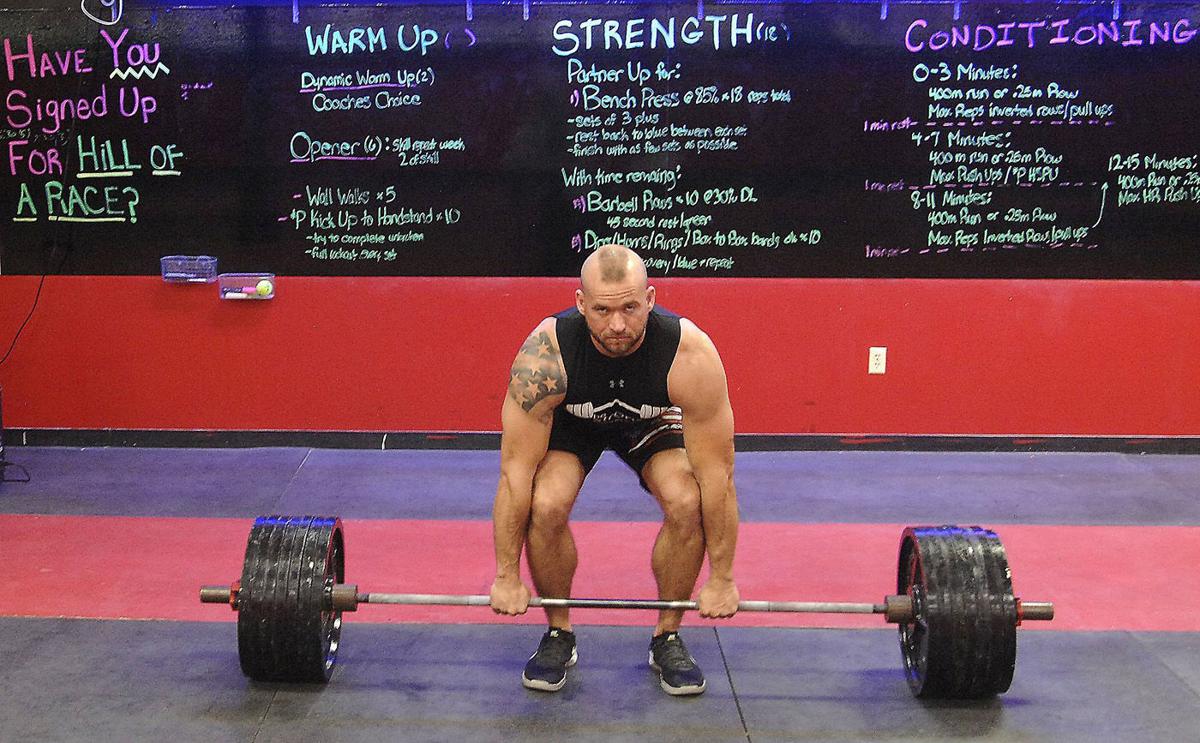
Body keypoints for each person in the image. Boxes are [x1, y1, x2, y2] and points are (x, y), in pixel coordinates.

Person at [489, 243, 740, 696]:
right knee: (546, 503)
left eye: (629, 306)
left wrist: (722, 579)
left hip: (652, 418)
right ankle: (558, 633)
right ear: (581, 303)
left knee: (687, 500)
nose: (618, 324)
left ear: (650, 298)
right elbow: (514, 474)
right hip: (573, 422)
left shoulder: (691, 355)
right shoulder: (546, 355)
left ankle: (667, 636)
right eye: (603, 310)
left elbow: (718, 476)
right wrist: (508, 574)